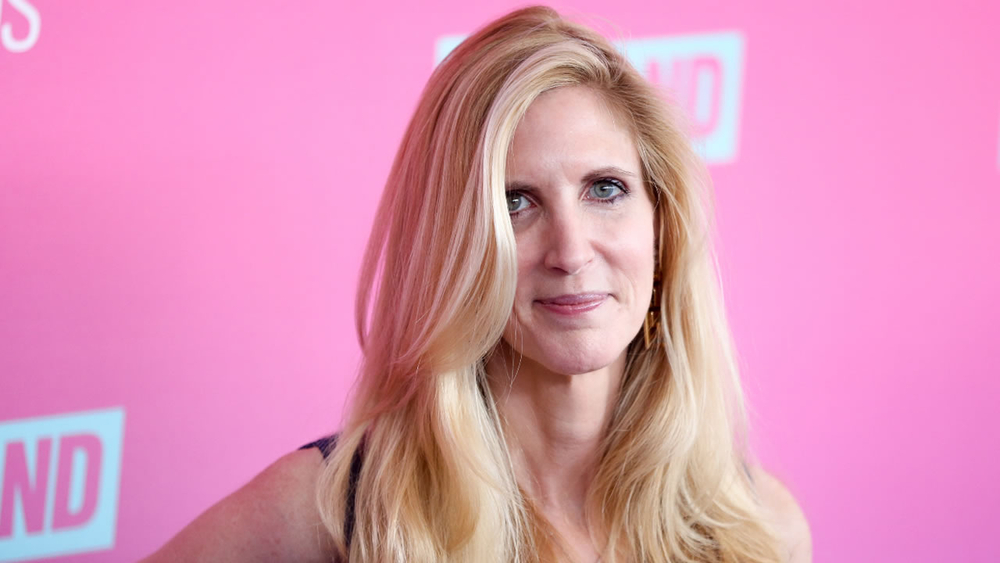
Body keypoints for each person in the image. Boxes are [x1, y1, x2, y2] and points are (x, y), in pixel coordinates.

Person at [142, 6, 811, 562]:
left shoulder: (759, 528)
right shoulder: (330, 513)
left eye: (605, 189)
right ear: (452, 247)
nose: (572, 251)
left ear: (662, 227)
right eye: (515, 203)